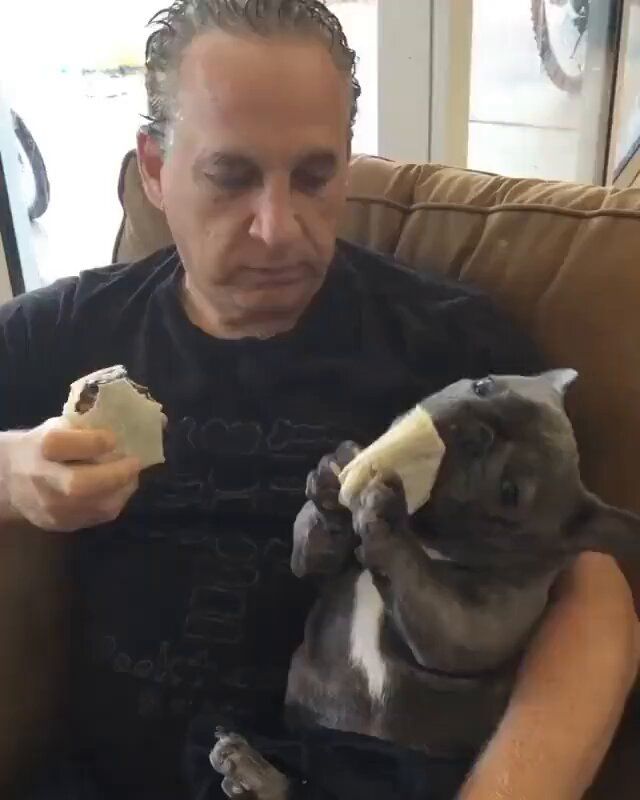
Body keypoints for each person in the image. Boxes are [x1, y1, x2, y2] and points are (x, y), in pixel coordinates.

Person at [0, 1, 637, 798]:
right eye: (230, 177)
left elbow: (589, 581)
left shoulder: (452, 350)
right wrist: (11, 471)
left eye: (313, 176)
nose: (278, 228)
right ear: (156, 170)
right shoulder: (71, 329)